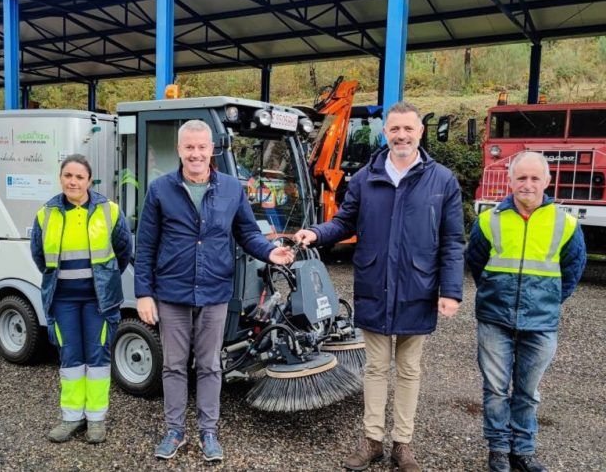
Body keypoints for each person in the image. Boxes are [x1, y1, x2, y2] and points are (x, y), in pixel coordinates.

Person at [293, 101, 465, 472]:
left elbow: (452, 240)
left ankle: (402, 444)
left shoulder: (442, 181)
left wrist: (450, 290)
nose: (401, 135)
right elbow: (343, 222)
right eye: (394, 129)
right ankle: (372, 440)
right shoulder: (365, 179)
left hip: (418, 288)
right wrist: (317, 233)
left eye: (408, 129)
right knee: (374, 368)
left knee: (409, 370)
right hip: (375, 283)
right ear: (385, 133)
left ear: (420, 132)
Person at [134, 119, 294, 462]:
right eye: (189, 147)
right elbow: (145, 246)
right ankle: (174, 430)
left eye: (201, 147)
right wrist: (144, 293)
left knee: (209, 365)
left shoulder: (231, 189)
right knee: (174, 366)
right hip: (172, 293)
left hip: (214, 292)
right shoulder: (160, 189)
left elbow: (247, 233)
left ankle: (209, 432)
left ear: (212, 149)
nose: (196, 153)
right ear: (179, 150)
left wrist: (270, 251)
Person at [466, 151, 586, 472]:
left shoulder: (565, 223)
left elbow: (573, 269)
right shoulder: (489, 220)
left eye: (535, 178)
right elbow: (476, 262)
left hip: (541, 323)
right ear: (510, 180)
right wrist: (495, 294)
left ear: (547, 181)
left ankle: (523, 451)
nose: (528, 184)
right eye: (521, 178)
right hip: (495, 319)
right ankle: (499, 451)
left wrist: (547, 300)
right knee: (494, 390)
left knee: (527, 392)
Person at [30, 154, 132, 445]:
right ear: (61, 178)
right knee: (70, 359)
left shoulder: (109, 211)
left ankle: (96, 419)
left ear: (89, 181)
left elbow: (123, 252)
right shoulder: (46, 213)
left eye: (79, 177)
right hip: (62, 300)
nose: (73, 182)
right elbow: (40, 256)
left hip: (99, 301)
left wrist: (104, 281)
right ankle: (72, 417)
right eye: (68, 176)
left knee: (98, 359)